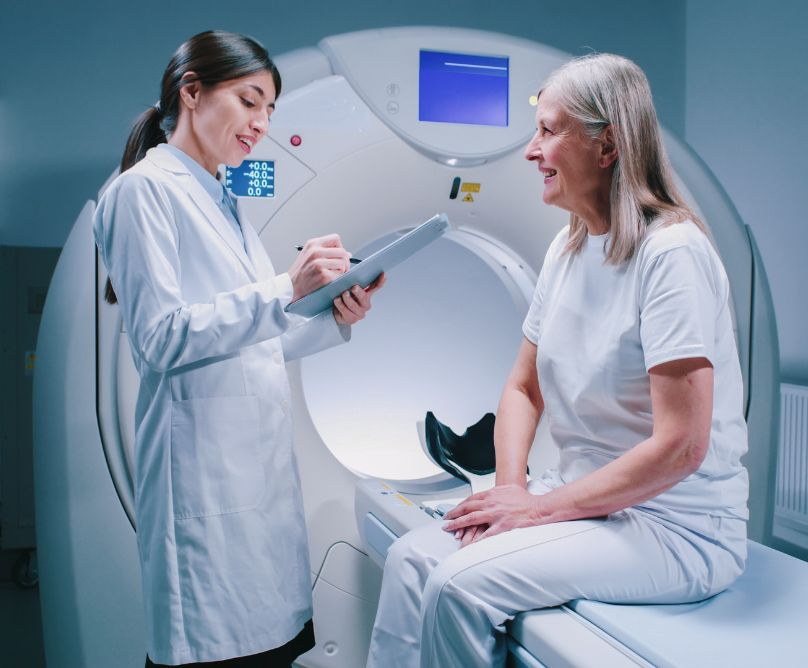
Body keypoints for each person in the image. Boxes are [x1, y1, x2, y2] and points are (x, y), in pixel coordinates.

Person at [366, 53, 748, 667]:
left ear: (608, 145)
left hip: (672, 525)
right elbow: (523, 389)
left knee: (457, 584)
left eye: (548, 130)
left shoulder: (671, 253)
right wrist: (509, 491)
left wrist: (537, 510)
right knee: (413, 558)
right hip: (582, 502)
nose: (530, 151)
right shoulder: (567, 251)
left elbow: (684, 445)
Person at [94, 30, 384, 667]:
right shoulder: (143, 192)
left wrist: (334, 314)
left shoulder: (225, 204)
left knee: (273, 648)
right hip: (202, 488)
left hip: (256, 489)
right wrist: (286, 286)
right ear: (192, 92)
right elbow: (159, 338)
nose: (262, 124)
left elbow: (253, 342)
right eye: (250, 101)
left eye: (270, 110)